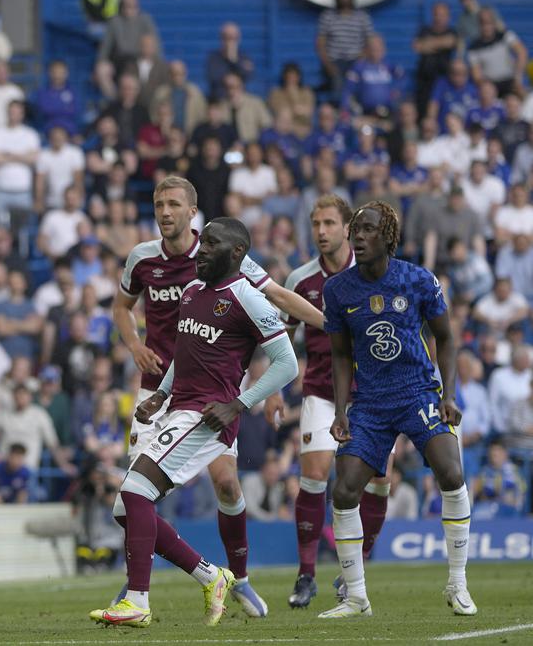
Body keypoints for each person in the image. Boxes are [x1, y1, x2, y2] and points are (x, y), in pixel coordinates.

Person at [110, 177, 324, 619]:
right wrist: (138, 351)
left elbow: (277, 313)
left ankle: (225, 581)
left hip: (212, 400)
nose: (164, 211)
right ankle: (191, 576)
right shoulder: (151, 264)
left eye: (173, 204)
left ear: (192, 212)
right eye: (158, 203)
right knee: (128, 504)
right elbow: (128, 312)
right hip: (164, 389)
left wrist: (332, 324)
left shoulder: (226, 265)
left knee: (220, 483)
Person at [318, 201, 475, 619]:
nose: (358, 237)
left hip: (417, 393)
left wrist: (448, 395)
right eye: (355, 230)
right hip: (369, 403)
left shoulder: (418, 280)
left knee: (452, 473)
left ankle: (458, 584)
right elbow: (338, 354)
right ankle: (356, 597)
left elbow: (445, 336)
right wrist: (340, 411)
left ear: (388, 236)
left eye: (368, 230)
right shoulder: (337, 289)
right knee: (344, 490)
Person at [276, 196, 392, 608]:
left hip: (375, 396)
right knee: (317, 474)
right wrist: (275, 388)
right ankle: (306, 573)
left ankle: (353, 570)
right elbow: (282, 335)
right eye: (315, 223)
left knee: (378, 482)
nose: (321, 231)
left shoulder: (373, 272)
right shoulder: (300, 279)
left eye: (329, 223)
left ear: (347, 228)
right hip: (322, 391)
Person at [316, 0, 374, 98]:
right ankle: (340, 111)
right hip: (334, 61)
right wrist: (328, 65)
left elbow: (370, 41)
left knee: (358, 86)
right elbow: (320, 43)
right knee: (338, 86)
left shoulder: (362, 17)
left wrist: (360, 62)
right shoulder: (327, 16)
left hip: (356, 61)